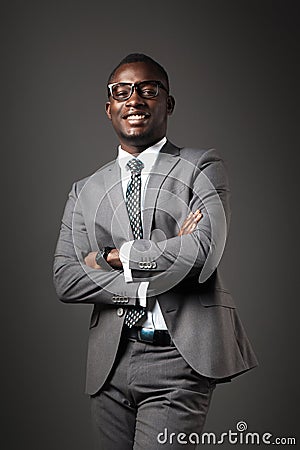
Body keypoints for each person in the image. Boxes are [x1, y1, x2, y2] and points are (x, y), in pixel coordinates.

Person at [53, 53, 258, 450]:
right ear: (108, 106)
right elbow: (66, 278)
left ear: (169, 103)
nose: (135, 99)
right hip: (110, 365)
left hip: (178, 360)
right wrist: (152, 275)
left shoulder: (201, 166)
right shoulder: (84, 190)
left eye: (149, 90)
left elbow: (201, 252)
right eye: (122, 91)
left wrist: (113, 257)